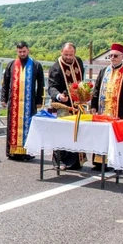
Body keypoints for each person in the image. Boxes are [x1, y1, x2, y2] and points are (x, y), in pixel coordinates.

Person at [90, 43, 123, 171]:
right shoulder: (103, 71)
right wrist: (93, 105)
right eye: (110, 56)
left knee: (117, 137)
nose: (112, 58)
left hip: (119, 110)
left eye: (115, 56)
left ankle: (117, 162)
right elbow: (96, 89)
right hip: (103, 111)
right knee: (102, 136)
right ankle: (100, 162)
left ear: (122, 56)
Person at [1, 41, 44, 161]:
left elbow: (41, 84)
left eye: (24, 51)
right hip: (14, 102)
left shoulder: (36, 65)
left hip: (30, 103)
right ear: (17, 51)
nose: (22, 53)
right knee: (12, 126)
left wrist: (39, 100)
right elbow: (5, 83)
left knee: (29, 126)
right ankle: (13, 152)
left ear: (28, 50)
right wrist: (3, 98)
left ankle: (27, 152)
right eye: (20, 52)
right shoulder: (11, 65)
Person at [47, 42, 86, 170]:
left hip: (77, 105)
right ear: (61, 52)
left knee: (77, 132)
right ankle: (60, 161)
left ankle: (75, 161)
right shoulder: (56, 68)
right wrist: (59, 96)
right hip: (63, 105)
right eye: (66, 54)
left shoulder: (78, 61)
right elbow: (52, 87)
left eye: (71, 54)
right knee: (62, 133)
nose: (69, 57)